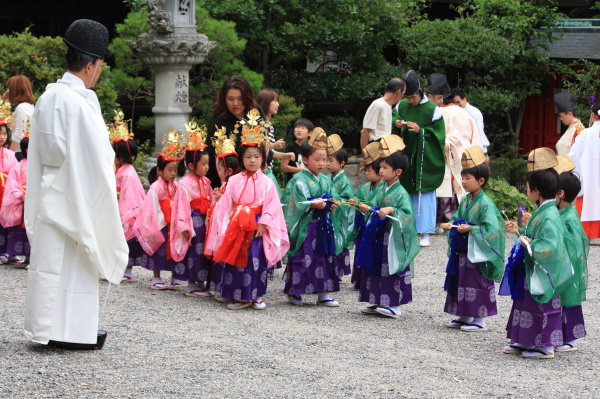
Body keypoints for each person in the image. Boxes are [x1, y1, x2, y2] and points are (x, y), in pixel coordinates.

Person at [24, 19, 128, 349]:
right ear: (89, 64)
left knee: (53, 263)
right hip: (74, 188)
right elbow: (97, 157)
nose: (99, 70)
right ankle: (70, 331)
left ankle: (48, 328)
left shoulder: (49, 97)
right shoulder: (77, 102)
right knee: (74, 262)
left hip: (51, 187)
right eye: (99, 64)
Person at [209, 109, 289, 309]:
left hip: (256, 225)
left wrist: (264, 223)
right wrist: (226, 223)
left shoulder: (267, 182)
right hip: (236, 224)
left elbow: (273, 206)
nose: (252, 160)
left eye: (256, 156)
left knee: (255, 260)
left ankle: (256, 295)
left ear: (262, 158)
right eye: (248, 156)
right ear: (241, 158)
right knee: (235, 258)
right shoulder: (234, 180)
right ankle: (235, 294)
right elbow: (226, 205)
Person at [503, 147, 578, 359]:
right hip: (535, 267)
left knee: (542, 305)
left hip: (545, 270)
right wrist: (521, 232)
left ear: (536, 190)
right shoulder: (543, 210)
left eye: (527, 187)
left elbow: (552, 245)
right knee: (528, 303)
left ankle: (545, 345)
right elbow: (537, 235)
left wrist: (531, 244)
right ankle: (527, 340)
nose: (526, 191)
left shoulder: (549, 214)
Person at [441, 146, 505, 332]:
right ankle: (464, 314)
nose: (464, 181)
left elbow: (492, 230)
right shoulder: (466, 200)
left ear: (481, 180)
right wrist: (450, 224)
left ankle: (479, 318)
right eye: (463, 177)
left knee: (477, 281)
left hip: (478, 251)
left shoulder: (486, 203)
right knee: (461, 281)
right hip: (464, 250)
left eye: (468, 178)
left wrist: (472, 229)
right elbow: (456, 218)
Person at [356, 135, 420, 319]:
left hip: (392, 238)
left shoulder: (401, 192)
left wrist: (392, 209)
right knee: (376, 265)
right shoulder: (383, 188)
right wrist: (367, 208)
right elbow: (374, 206)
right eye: (380, 167)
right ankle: (377, 300)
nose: (381, 170)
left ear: (398, 171)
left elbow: (407, 216)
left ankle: (394, 305)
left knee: (390, 266)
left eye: (385, 167)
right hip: (379, 236)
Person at [282, 128, 341, 307]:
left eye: (325, 159)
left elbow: (334, 196)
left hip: (323, 224)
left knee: (324, 256)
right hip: (306, 226)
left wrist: (334, 203)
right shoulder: (298, 179)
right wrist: (312, 205)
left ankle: (323, 293)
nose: (322, 163)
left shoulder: (325, 180)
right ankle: (295, 291)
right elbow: (293, 203)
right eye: (317, 159)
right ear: (305, 160)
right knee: (302, 256)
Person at [134, 130, 193, 290]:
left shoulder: (176, 186)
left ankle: (175, 277)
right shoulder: (155, 188)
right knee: (159, 250)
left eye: (175, 170)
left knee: (174, 248)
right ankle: (156, 277)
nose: (173, 173)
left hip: (173, 224)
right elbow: (150, 209)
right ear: (160, 170)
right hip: (161, 224)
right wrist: (161, 220)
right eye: (170, 170)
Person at [393, 70, 446, 247]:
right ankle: (406, 229)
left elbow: (439, 136)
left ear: (421, 91)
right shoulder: (402, 105)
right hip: (407, 155)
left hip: (424, 158)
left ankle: (425, 232)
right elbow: (394, 116)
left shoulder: (433, 110)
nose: (411, 101)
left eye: (413, 97)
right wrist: (397, 123)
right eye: (407, 97)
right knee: (405, 193)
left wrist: (421, 131)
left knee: (424, 194)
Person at [173, 121, 215, 297]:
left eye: (207, 164)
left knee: (204, 251)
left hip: (205, 220)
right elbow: (181, 207)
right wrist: (184, 226)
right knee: (194, 250)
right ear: (191, 165)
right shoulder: (184, 184)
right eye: (203, 164)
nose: (206, 167)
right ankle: (192, 284)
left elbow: (211, 200)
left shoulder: (206, 182)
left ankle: (202, 282)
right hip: (193, 220)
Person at [435, 87, 483, 231]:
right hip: (467, 149)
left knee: (449, 186)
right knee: (465, 184)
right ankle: (467, 215)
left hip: (450, 149)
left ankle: (447, 217)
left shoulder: (443, 112)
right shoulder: (466, 112)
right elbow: (476, 134)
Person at [553, 155, 588, 352]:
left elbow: (573, 245)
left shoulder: (569, 218)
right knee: (560, 301)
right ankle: (561, 335)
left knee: (568, 300)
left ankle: (570, 338)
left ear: (560, 193)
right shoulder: (561, 213)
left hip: (568, 267)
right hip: (562, 265)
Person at [206, 76, 266, 188]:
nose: (235, 103)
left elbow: (264, 142)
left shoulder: (255, 112)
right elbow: (215, 156)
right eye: (230, 99)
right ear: (224, 99)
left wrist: (263, 163)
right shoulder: (217, 121)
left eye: (240, 99)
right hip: (227, 178)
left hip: (256, 174)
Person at [204, 125, 240, 302]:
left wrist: (220, 200)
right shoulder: (225, 186)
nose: (217, 172)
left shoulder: (231, 186)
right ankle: (221, 288)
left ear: (229, 171)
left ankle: (226, 289)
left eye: (219, 169)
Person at [108, 111, 145, 282]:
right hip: (117, 203)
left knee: (125, 239)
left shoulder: (127, 173)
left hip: (124, 207)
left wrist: (123, 213)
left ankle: (126, 270)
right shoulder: (124, 171)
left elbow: (129, 196)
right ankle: (119, 268)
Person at [349, 142, 383, 289]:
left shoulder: (385, 189)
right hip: (364, 228)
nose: (363, 171)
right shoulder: (364, 187)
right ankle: (360, 279)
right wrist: (355, 202)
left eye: (368, 169)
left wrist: (368, 208)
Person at [326, 134, 355, 282]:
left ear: (342, 163)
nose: (327, 164)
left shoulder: (345, 181)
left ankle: (340, 271)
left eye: (331, 160)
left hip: (340, 216)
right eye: (327, 160)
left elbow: (347, 200)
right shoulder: (330, 178)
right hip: (332, 215)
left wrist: (335, 201)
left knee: (340, 241)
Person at [569, 102, 600, 239]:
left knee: (588, 201)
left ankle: (587, 234)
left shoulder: (585, 135)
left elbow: (574, 159)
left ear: (593, 115)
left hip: (589, 184)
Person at [256, 89, 294, 196]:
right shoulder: (259, 123)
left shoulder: (269, 125)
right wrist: (273, 145)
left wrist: (285, 155)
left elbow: (269, 151)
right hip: (261, 171)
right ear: (266, 102)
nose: (278, 104)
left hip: (268, 170)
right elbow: (256, 146)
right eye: (275, 101)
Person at [0, 135, 30, 266]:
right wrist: (22, 196)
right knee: (17, 229)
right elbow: (12, 183)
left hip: (32, 199)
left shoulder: (38, 166)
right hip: (21, 198)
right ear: (26, 149)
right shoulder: (19, 166)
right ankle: (12, 253)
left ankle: (29, 257)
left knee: (30, 230)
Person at [360, 78, 405, 149]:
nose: (402, 97)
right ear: (398, 91)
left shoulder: (388, 106)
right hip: (375, 148)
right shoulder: (378, 105)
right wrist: (366, 155)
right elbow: (365, 132)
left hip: (385, 148)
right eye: (403, 94)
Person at [0, 104, 18, 264]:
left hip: (6, 188)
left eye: (4, 133)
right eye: (0, 134)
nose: (2, 137)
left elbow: (14, 172)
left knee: (8, 220)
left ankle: (7, 251)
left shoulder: (10, 154)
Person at [452, 88, 490, 159]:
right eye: (455, 103)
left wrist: (484, 153)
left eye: (458, 102)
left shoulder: (474, 113)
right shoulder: (457, 112)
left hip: (475, 150)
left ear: (465, 99)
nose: (457, 105)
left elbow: (479, 132)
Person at [4, 75, 35, 159]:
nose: (8, 91)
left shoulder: (22, 108)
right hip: (22, 152)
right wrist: (5, 103)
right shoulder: (28, 106)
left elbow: (19, 134)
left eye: (10, 88)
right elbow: (9, 125)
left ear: (16, 90)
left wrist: (9, 154)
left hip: (19, 153)